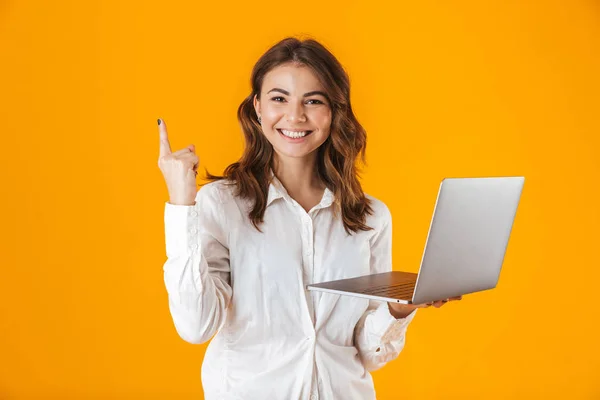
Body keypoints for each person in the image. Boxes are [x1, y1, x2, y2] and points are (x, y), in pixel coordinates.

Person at [157, 36, 461, 400]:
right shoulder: (221, 205)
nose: (295, 116)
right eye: (279, 98)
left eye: (313, 101)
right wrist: (180, 204)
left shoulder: (369, 217)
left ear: (335, 111)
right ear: (257, 107)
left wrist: (398, 308)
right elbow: (196, 326)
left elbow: (367, 353)